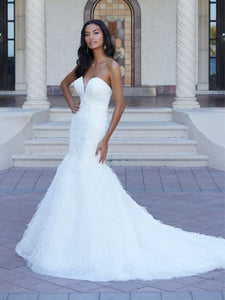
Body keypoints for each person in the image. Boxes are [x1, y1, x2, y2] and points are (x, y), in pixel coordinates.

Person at [15, 19, 225, 282]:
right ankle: (75, 235)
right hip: (79, 127)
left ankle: (100, 236)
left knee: (92, 174)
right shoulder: (84, 65)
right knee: (74, 174)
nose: (91, 38)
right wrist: (72, 105)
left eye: (96, 33)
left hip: (95, 129)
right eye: (87, 34)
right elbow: (63, 84)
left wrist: (105, 139)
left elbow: (121, 104)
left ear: (104, 36)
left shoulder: (112, 66)